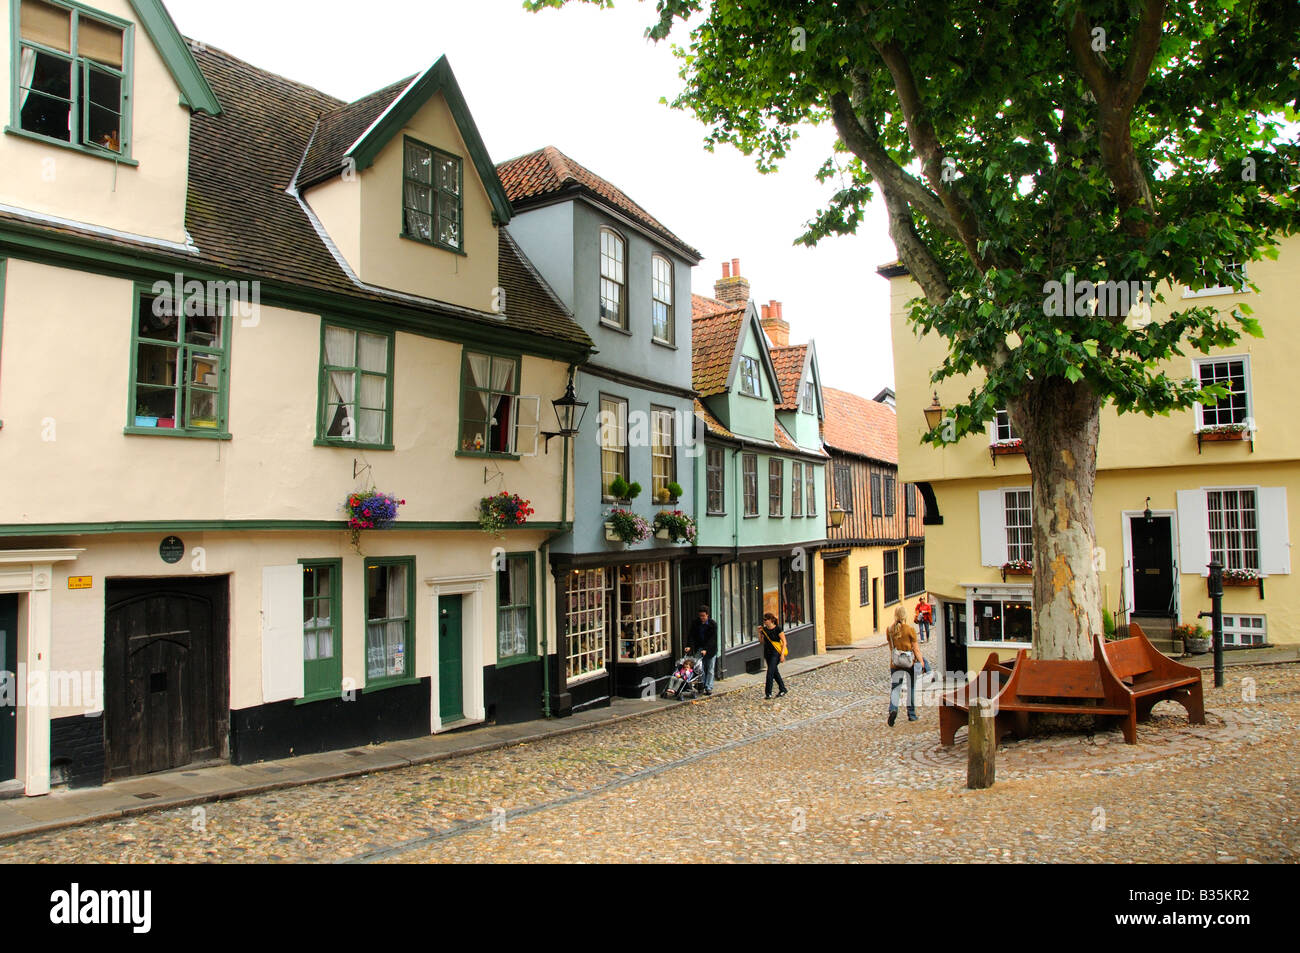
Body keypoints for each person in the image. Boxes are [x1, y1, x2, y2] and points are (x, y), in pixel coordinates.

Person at [886, 605, 922, 725]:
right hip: (909, 663)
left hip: (895, 663)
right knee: (911, 687)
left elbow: (892, 648)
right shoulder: (910, 629)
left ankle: (893, 709)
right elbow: (916, 649)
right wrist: (921, 662)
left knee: (895, 688)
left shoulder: (890, 629)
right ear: (905, 615)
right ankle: (911, 714)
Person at [686, 605, 719, 695]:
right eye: (700, 616)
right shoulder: (696, 623)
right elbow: (691, 635)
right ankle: (702, 685)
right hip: (699, 648)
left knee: (710, 669)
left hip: (710, 650)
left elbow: (712, 639)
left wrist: (706, 649)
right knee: (700, 669)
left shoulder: (712, 624)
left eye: (703, 616)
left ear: (707, 615)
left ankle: (708, 687)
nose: (702, 618)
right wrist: (689, 645)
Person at [760, 612, 788, 699]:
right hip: (767, 652)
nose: (764, 622)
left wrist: (782, 655)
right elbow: (761, 642)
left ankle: (768, 693)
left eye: (766, 620)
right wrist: (759, 633)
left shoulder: (778, 629)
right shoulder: (764, 630)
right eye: (764, 620)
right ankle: (783, 689)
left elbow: (784, 642)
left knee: (770, 672)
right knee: (775, 672)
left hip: (776, 653)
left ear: (771, 620)